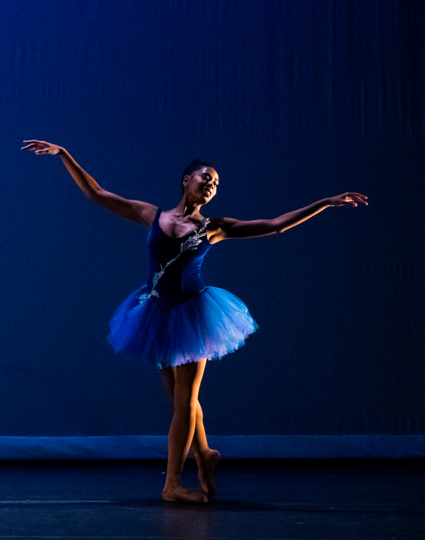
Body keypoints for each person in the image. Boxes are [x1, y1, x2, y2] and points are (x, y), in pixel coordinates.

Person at [23, 141, 367, 502]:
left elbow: (275, 225)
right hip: (156, 312)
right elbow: (97, 193)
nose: (211, 185)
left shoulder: (214, 227)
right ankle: (204, 454)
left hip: (192, 315)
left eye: (216, 183)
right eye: (207, 177)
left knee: (186, 398)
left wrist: (324, 203)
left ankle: (171, 485)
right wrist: (64, 154)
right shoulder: (151, 215)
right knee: (176, 396)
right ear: (187, 179)